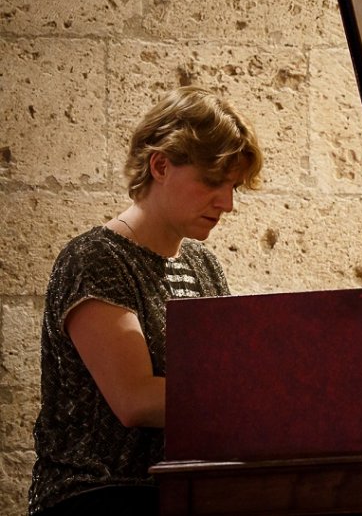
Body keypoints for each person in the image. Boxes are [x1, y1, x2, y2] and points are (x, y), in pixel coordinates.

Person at [28, 86, 263, 515]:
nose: (227, 203)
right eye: (213, 182)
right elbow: (134, 400)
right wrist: (266, 398)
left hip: (182, 489)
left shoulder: (205, 266)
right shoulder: (95, 258)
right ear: (160, 165)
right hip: (98, 494)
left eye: (234, 187)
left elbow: (221, 380)